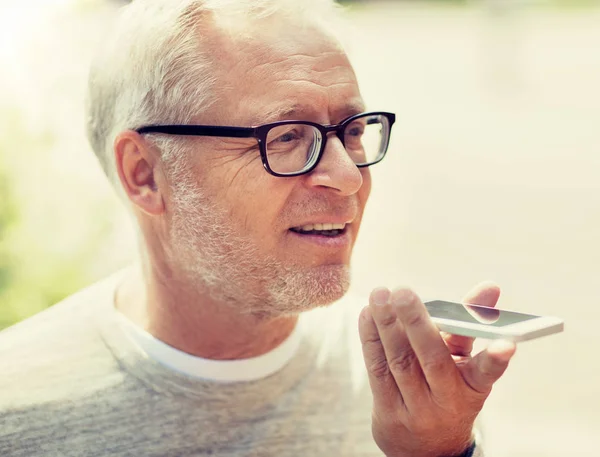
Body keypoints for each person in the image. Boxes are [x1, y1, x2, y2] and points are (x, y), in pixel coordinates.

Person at [0, 0, 516, 456]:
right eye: (288, 135)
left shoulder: (405, 391)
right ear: (145, 174)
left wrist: (440, 454)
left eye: (352, 131)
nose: (347, 177)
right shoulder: (18, 410)